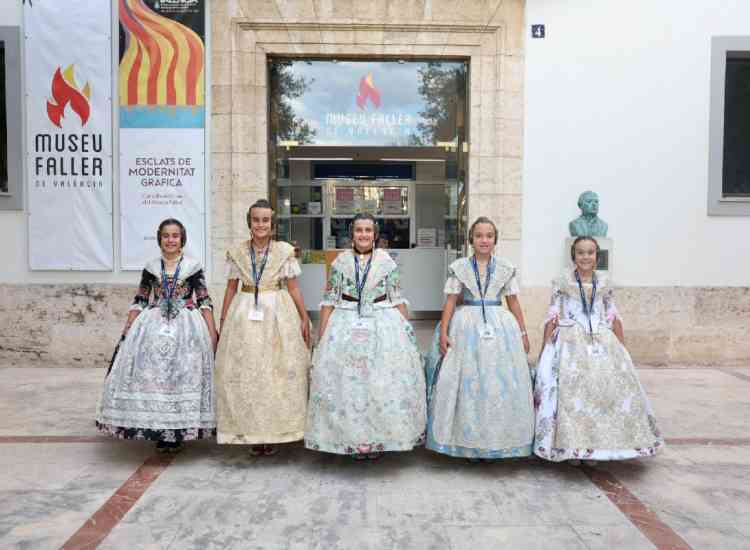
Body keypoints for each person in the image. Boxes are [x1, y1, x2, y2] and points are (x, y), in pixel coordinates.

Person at [305, 213, 426, 460]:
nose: (363, 235)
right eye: (359, 230)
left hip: (382, 321)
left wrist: (408, 331)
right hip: (346, 320)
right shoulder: (340, 262)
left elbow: (396, 297)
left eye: (368, 230)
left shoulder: (386, 262)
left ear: (375, 234)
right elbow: (330, 299)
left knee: (380, 384)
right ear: (352, 234)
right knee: (349, 386)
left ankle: (377, 441)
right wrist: (322, 334)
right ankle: (353, 440)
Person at [533, 236, 664, 463]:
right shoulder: (561, 282)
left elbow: (613, 314)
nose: (586, 257)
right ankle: (574, 447)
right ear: (574, 256)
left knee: (603, 392)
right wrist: (545, 349)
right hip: (570, 340)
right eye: (581, 252)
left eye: (590, 252)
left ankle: (596, 447)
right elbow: (553, 313)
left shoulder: (604, 282)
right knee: (572, 394)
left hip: (601, 339)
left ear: (597, 256)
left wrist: (623, 348)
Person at [96, 219, 217, 453]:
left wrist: (211, 331)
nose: (170, 240)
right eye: (166, 236)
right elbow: (141, 298)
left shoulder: (193, 266)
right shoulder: (151, 267)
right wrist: (129, 324)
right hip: (154, 323)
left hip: (186, 326)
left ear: (182, 239)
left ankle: (180, 430)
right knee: (153, 376)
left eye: (175, 236)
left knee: (180, 376)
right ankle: (159, 429)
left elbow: (204, 299)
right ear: (159, 239)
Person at [424, 216, 535, 461]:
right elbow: (451, 301)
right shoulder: (460, 267)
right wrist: (443, 332)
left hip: (500, 328)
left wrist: (523, 332)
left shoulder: (506, 268)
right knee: (468, 383)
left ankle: (496, 440)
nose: (484, 240)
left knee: (498, 382)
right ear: (471, 240)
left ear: (495, 240)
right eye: (479, 236)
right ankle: (469, 442)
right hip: (466, 327)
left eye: (489, 236)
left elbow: (513, 302)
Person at [215, 199, 311, 455]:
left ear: (272, 224)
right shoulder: (237, 252)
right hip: (244, 312)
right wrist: (223, 321)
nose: (260, 224)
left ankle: (274, 432)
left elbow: (293, 288)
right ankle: (250, 433)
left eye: (265, 220)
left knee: (276, 373)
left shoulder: (284, 251)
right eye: (256, 220)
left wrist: (303, 317)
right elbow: (230, 288)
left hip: (278, 313)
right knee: (246, 372)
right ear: (249, 223)